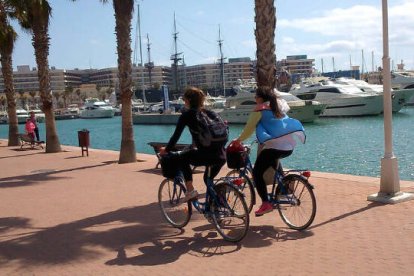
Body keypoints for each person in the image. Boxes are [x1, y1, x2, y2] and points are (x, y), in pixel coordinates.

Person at [234, 86, 306, 216]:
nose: (254, 99)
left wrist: (238, 140)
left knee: (256, 173)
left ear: (260, 98)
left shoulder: (259, 110)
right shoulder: (277, 107)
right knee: (273, 162)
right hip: (288, 147)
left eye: (255, 96)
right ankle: (283, 190)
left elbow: (249, 130)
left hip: (275, 147)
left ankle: (266, 203)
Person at [159, 87, 227, 201]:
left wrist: (166, 150)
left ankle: (190, 190)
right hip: (221, 155)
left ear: (188, 100)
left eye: (184, 99)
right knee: (208, 180)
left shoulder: (187, 115)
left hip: (206, 155)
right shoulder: (211, 113)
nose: (184, 102)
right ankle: (219, 204)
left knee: (183, 158)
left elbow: (175, 136)